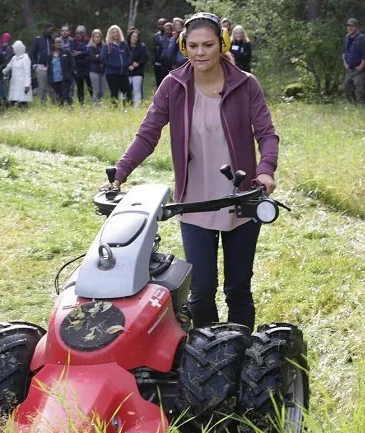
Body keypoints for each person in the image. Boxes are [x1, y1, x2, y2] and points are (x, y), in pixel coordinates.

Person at [105, 13, 278, 331]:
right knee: (201, 292)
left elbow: (266, 134)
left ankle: (240, 356)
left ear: (222, 44)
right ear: (183, 46)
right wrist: (122, 170)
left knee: (238, 289)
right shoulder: (173, 86)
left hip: (242, 200)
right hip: (194, 203)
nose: (200, 53)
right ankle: (207, 361)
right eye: (193, 45)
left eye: (208, 45)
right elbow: (148, 133)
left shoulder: (245, 84)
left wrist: (265, 170)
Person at [342, 18, 365, 107]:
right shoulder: (347, 37)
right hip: (349, 69)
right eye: (348, 26)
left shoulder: (362, 39)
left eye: (352, 26)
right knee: (347, 89)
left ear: (356, 27)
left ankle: (362, 109)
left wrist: (361, 67)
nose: (350, 28)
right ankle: (352, 107)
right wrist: (345, 64)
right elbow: (343, 52)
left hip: (359, 70)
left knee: (360, 91)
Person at [101, 25, 131, 106]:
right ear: (110, 34)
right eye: (113, 32)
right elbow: (103, 59)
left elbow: (129, 56)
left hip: (123, 73)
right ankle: (114, 110)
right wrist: (114, 65)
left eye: (117, 32)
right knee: (114, 92)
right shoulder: (107, 46)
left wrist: (126, 64)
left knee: (127, 91)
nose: (116, 34)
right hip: (112, 73)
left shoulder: (123, 44)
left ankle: (127, 108)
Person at [3, 40, 32, 108]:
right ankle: (13, 110)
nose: (13, 50)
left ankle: (24, 111)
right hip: (14, 82)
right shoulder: (14, 58)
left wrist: (27, 84)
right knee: (14, 97)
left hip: (22, 83)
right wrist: (2, 71)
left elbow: (27, 72)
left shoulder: (25, 58)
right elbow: (9, 66)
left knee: (22, 99)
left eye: (14, 48)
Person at [30, 23, 54, 104]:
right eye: (48, 30)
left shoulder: (53, 40)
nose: (50, 32)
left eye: (51, 30)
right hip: (40, 66)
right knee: (42, 87)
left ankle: (55, 103)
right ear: (45, 29)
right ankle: (43, 105)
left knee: (52, 87)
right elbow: (32, 53)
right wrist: (34, 64)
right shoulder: (38, 39)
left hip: (51, 66)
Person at [47, 37, 74, 106]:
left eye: (59, 42)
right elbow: (49, 68)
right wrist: (49, 79)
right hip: (55, 79)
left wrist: (69, 74)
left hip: (65, 78)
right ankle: (61, 110)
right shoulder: (50, 55)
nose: (59, 44)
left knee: (66, 95)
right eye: (57, 42)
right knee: (59, 96)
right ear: (53, 44)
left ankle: (70, 109)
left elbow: (72, 64)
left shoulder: (66, 52)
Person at [126, 28, 148, 108]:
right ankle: (126, 106)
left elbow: (145, 58)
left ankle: (137, 107)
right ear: (130, 37)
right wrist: (129, 64)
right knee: (126, 90)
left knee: (137, 90)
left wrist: (138, 64)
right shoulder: (125, 46)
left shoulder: (142, 46)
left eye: (136, 37)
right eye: (133, 36)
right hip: (127, 72)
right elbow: (123, 57)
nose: (134, 38)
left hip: (138, 72)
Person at [71, 26, 93, 104]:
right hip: (78, 68)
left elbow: (89, 52)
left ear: (84, 33)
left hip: (88, 67)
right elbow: (73, 52)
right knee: (80, 87)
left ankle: (95, 102)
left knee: (90, 86)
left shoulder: (89, 40)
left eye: (81, 32)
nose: (79, 34)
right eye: (77, 33)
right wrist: (84, 53)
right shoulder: (73, 41)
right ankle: (81, 104)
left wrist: (80, 53)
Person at [88, 28, 105, 104]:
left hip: (103, 71)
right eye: (95, 37)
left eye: (99, 37)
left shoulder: (104, 47)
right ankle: (95, 107)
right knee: (96, 91)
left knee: (102, 92)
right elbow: (92, 58)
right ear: (93, 37)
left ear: (101, 37)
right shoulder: (90, 47)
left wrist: (98, 56)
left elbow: (105, 58)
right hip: (94, 71)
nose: (97, 38)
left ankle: (100, 107)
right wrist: (99, 56)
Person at [152, 18, 167, 88]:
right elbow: (154, 49)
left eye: (162, 24)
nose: (160, 26)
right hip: (157, 63)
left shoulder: (169, 35)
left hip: (166, 63)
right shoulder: (156, 36)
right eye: (159, 24)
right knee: (158, 83)